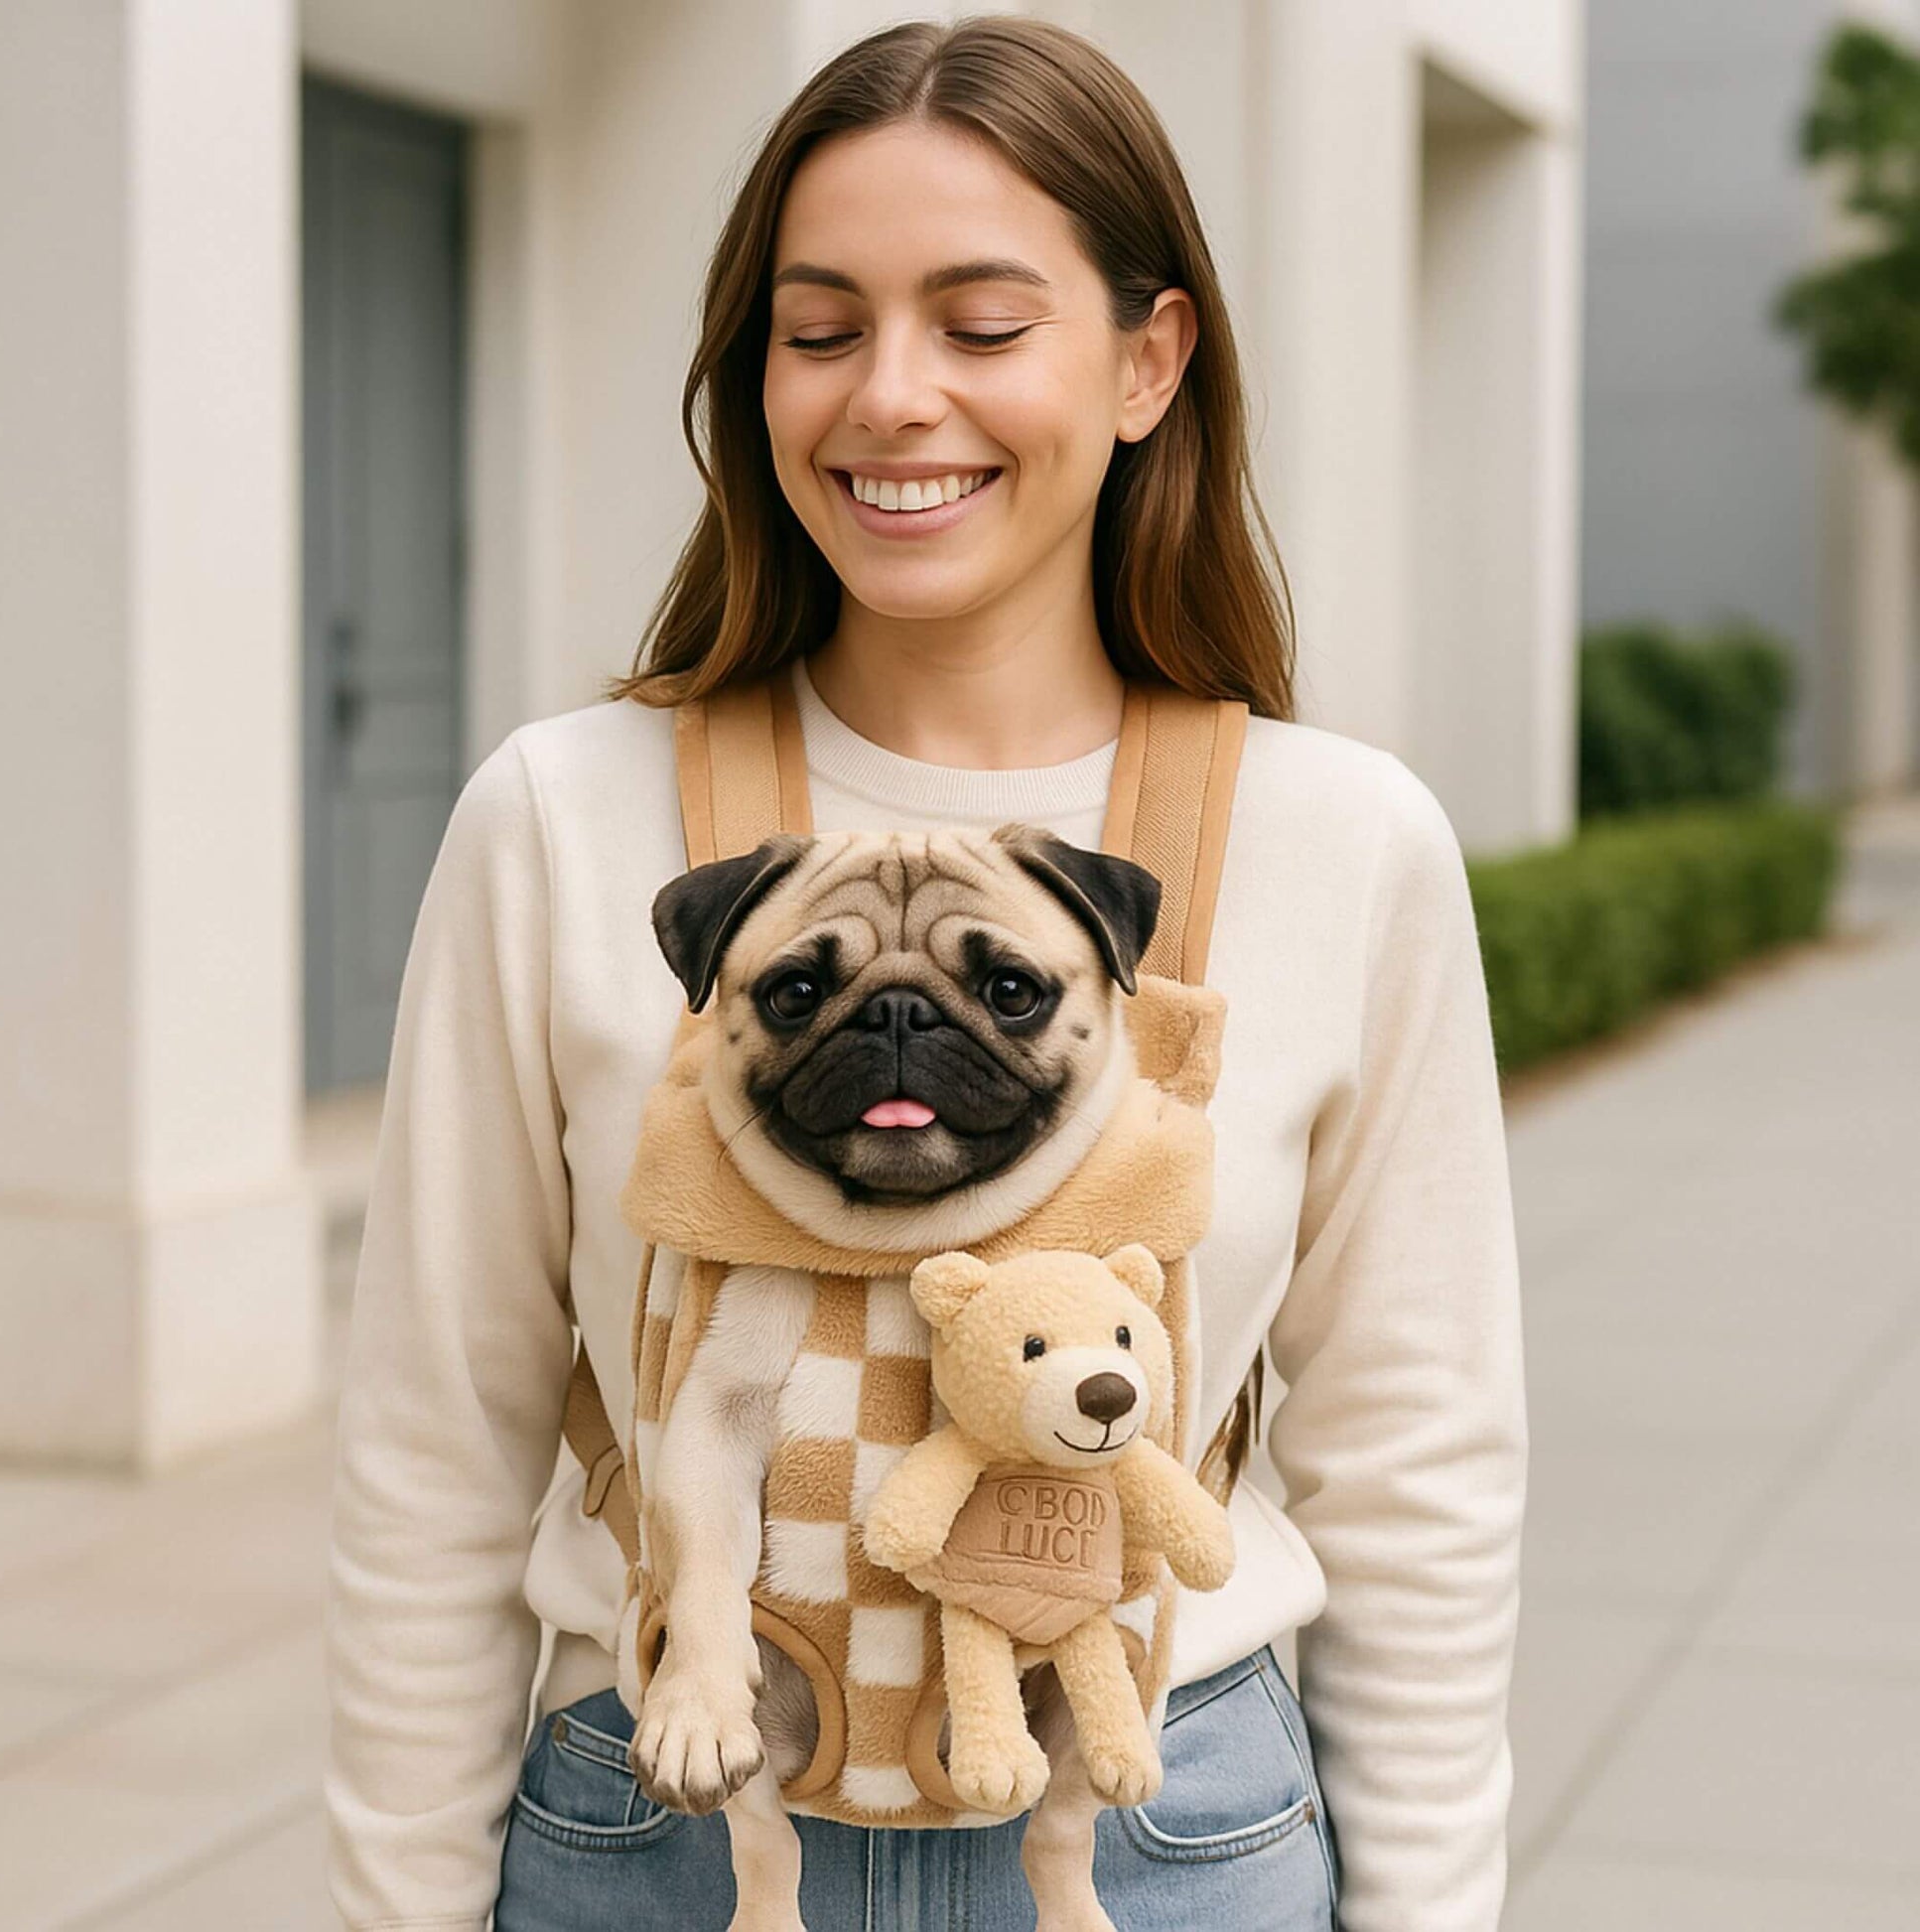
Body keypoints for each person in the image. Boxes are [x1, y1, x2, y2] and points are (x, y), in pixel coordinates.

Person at [324, 17, 1527, 1932]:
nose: (891, 396)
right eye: (819, 330)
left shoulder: (1344, 840)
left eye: (979, 326)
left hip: (1156, 1827)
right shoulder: (562, 814)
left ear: (1146, 361)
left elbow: (1419, 1472)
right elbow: (433, 1446)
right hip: (662, 1818)